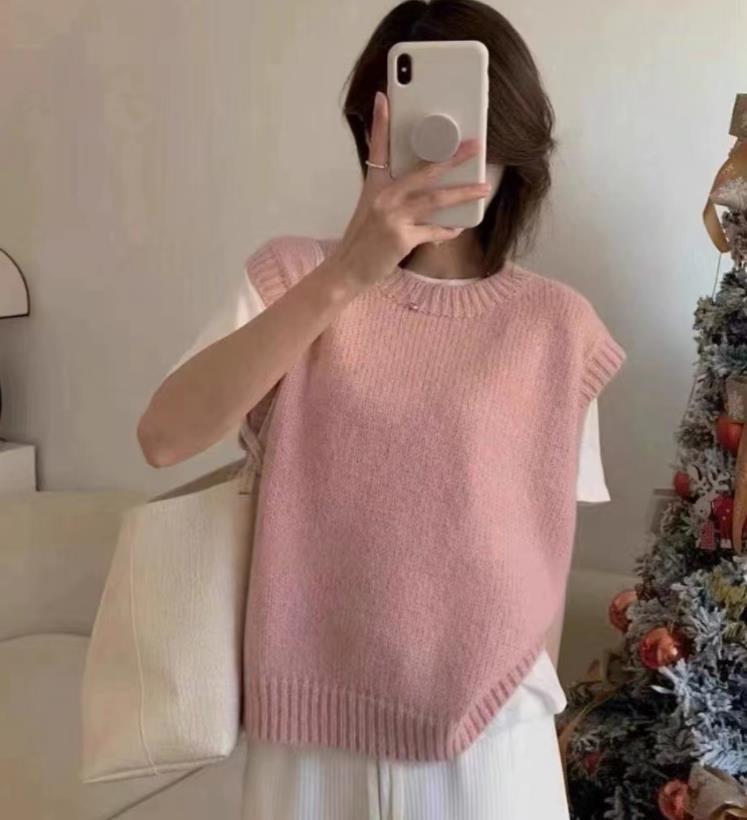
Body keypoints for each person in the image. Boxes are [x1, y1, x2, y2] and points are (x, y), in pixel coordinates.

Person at [137, 1, 627, 817]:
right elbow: (164, 437)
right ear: (372, 132)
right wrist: (348, 275)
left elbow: (542, 549)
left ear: (510, 142)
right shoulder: (291, 278)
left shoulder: (558, 329)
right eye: (417, 128)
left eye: (469, 128)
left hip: (493, 739)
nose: (443, 154)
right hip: (308, 739)